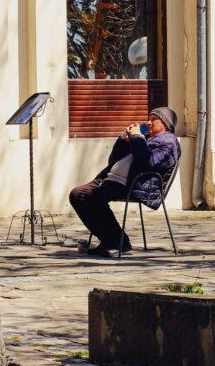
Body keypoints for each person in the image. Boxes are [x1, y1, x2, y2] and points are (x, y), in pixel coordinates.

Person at [69, 106, 180, 256]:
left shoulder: (169, 142)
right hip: (113, 180)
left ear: (166, 124)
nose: (148, 122)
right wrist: (125, 140)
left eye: (153, 119)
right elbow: (113, 160)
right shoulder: (146, 138)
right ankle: (112, 239)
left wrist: (137, 138)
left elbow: (150, 162)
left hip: (136, 186)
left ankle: (117, 241)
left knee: (89, 197)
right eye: (149, 118)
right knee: (77, 194)